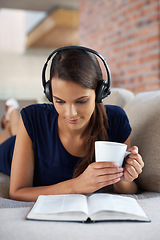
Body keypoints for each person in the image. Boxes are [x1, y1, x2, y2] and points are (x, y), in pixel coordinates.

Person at [0, 46, 144, 202]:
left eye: (81, 101)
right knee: (14, 132)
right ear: (49, 94)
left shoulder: (116, 120)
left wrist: (126, 178)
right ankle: (11, 114)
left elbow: (128, 189)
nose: (71, 113)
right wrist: (77, 186)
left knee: (15, 130)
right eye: (60, 101)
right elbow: (17, 193)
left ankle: (10, 118)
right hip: (9, 150)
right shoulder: (33, 117)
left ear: (99, 93)